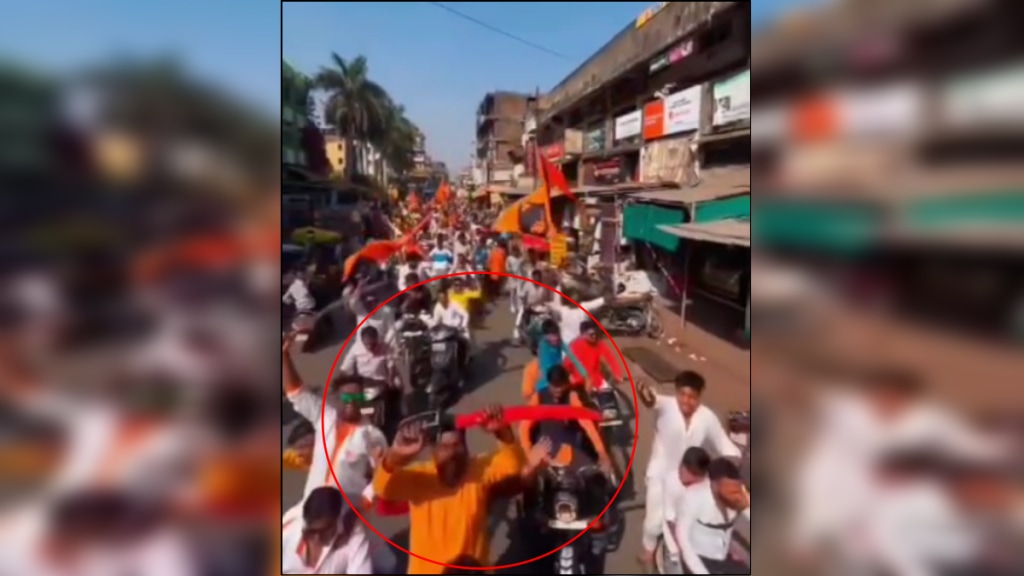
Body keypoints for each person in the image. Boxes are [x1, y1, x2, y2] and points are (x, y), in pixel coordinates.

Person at [372, 406, 547, 574]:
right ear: (433, 452)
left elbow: (513, 465)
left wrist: (502, 431)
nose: (452, 454)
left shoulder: (477, 470)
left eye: (457, 445)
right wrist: (395, 456)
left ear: (466, 449)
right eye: (445, 447)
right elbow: (382, 488)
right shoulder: (420, 476)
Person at [636, 371, 743, 571]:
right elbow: (651, 400)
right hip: (660, 474)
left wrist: (734, 461)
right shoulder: (667, 405)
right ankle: (648, 551)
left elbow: (723, 443)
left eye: (692, 397)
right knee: (653, 523)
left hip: (691, 476)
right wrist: (644, 391)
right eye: (682, 395)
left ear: (699, 397)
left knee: (690, 520)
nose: (686, 401)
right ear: (676, 393)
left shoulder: (706, 416)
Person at [283, 333, 387, 519]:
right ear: (337, 399)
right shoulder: (325, 417)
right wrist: (284, 356)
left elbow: (381, 475)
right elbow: (296, 392)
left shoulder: (373, 435)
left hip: (343, 518)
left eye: (358, 397)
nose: (352, 402)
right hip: (306, 512)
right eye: (347, 397)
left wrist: (366, 499)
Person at [521, 365, 613, 475]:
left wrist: (602, 453)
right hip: (544, 447)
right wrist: (530, 454)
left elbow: (587, 425)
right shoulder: (539, 397)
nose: (557, 393)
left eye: (561, 388)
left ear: (567, 384)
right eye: (554, 388)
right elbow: (523, 428)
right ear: (549, 384)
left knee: (594, 477)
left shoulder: (572, 397)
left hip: (569, 446)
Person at [675, 458, 750, 574]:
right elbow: (683, 540)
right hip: (698, 558)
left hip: (722, 556)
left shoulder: (737, 493)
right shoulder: (693, 497)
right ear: (714, 484)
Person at [281, 486, 373, 574]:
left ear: (337, 522)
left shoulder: (353, 532)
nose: (316, 539)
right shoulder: (286, 533)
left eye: (323, 533)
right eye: (311, 533)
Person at [663, 447, 714, 573]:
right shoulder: (671, 481)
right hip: (676, 538)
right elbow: (670, 517)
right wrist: (681, 546)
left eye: (689, 471)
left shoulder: (707, 484)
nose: (682, 472)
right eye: (682, 467)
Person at [565, 320, 624, 391]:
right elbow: (566, 365)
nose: (594, 336)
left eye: (595, 334)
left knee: (609, 393)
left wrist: (617, 373)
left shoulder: (599, 344)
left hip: (597, 380)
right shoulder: (574, 346)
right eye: (591, 334)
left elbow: (610, 358)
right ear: (583, 335)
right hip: (580, 382)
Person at [534, 319, 587, 394]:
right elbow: (544, 365)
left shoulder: (560, 342)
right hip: (548, 376)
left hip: (559, 373)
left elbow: (573, 357)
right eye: (552, 336)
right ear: (545, 336)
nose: (555, 338)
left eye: (556, 335)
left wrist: (584, 373)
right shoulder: (543, 345)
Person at [429, 289, 472, 368]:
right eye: (440, 299)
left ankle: (464, 363)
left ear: (447, 297)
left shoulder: (454, 304)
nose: (442, 301)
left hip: (458, 329)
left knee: (465, 344)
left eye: (444, 298)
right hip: (446, 332)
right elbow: (436, 321)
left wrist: (463, 325)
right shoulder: (438, 307)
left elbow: (465, 314)